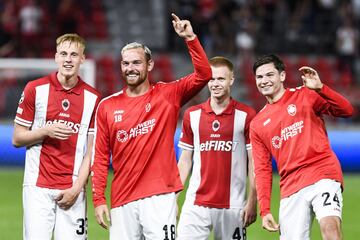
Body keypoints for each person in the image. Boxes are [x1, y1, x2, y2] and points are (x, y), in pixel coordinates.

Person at [91, 13, 212, 240]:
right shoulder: (107, 106)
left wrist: (190, 38)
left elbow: (204, 74)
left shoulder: (168, 94)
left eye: (136, 62)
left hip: (160, 197)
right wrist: (98, 199)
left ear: (150, 65)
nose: (131, 68)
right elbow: (99, 158)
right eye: (126, 63)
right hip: (122, 199)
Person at [250, 54, 353, 240]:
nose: (264, 81)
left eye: (269, 75)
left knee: (330, 228)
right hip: (290, 186)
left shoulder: (305, 94)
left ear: (282, 76)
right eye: (259, 77)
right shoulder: (257, 124)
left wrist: (321, 88)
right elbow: (262, 169)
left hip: (322, 173)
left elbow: (347, 111)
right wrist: (264, 210)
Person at [12, 33, 101, 240]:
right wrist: (45, 131)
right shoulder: (35, 89)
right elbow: (17, 138)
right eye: (63, 54)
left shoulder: (94, 98)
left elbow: (92, 150)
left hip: (73, 189)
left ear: (82, 59)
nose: (68, 59)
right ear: (56, 57)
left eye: (73, 54)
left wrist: (77, 188)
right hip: (37, 188)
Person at [177, 56, 257, 240]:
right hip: (195, 205)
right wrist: (173, 199)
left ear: (232, 80)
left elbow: (254, 162)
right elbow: (184, 161)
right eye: (211, 79)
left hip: (233, 205)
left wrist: (252, 200)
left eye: (220, 78)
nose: (215, 84)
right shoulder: (192, 115)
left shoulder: (247, 115)